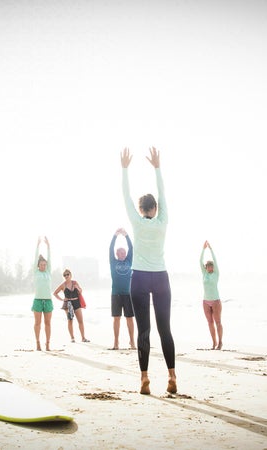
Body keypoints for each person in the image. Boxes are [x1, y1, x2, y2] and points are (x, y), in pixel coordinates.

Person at [121, 147, 177, 395]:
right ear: (155, 209)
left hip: (139, 279)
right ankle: (172, 377)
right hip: (160, 278)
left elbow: (125, 196)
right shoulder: (162, 222)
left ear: (141, 209)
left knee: (143, 330)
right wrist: (157, 167)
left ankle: (144, 378)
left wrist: (124, 169)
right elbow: (163, 193)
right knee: (165, 329)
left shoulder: (135, 221)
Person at [109, 228, 135, 350]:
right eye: (121, 253)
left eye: (124, 253)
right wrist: (115, 236)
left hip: (128, 294)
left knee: (129, 318)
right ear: (117, 254)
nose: (124, 254)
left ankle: (132, 342)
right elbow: (110, 249)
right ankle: (116, 342)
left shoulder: (129, 260)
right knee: (116, 318)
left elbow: (131, 248)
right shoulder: (113, 262)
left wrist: (126, 236)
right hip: (116, 294)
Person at [53, 269, 89, 343]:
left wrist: (77, 287)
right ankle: (72, 338)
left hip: (76, 302)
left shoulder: (75, 282)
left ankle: (83, 338)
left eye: (67, 274)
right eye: (64, 275)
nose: (66, 276)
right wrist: (62, 299)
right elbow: (55, 293)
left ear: (70, 275)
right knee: (70, 320)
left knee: (80, 321)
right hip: (68, 303)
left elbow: (81, 291)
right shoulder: (63, 285)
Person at [200, 240, 223, 350]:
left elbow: (215, 260)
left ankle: (220, 342)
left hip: (215, 301)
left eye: (211, 266)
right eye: (208, 266)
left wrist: (211, 249)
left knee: (218, 322)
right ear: (206, 267)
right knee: (210, 323)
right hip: (205, 301)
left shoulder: (216, 273)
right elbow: (200, 261)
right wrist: (203, 249)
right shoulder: (204, 273)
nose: (210, 267)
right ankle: (214, 343)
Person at [31, 237, 53, 351]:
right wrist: (38, 245)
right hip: (38, 300)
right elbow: (35, 258)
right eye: (42, 264)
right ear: (38, 265)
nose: (44, 266)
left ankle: (48, 344)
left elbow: (50, 258)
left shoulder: (48, 271)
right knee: (37, 323)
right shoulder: (35, 272)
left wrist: (48, 246)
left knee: (48, 323)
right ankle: (38, 342)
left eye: (45, 264)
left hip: (48, 300)